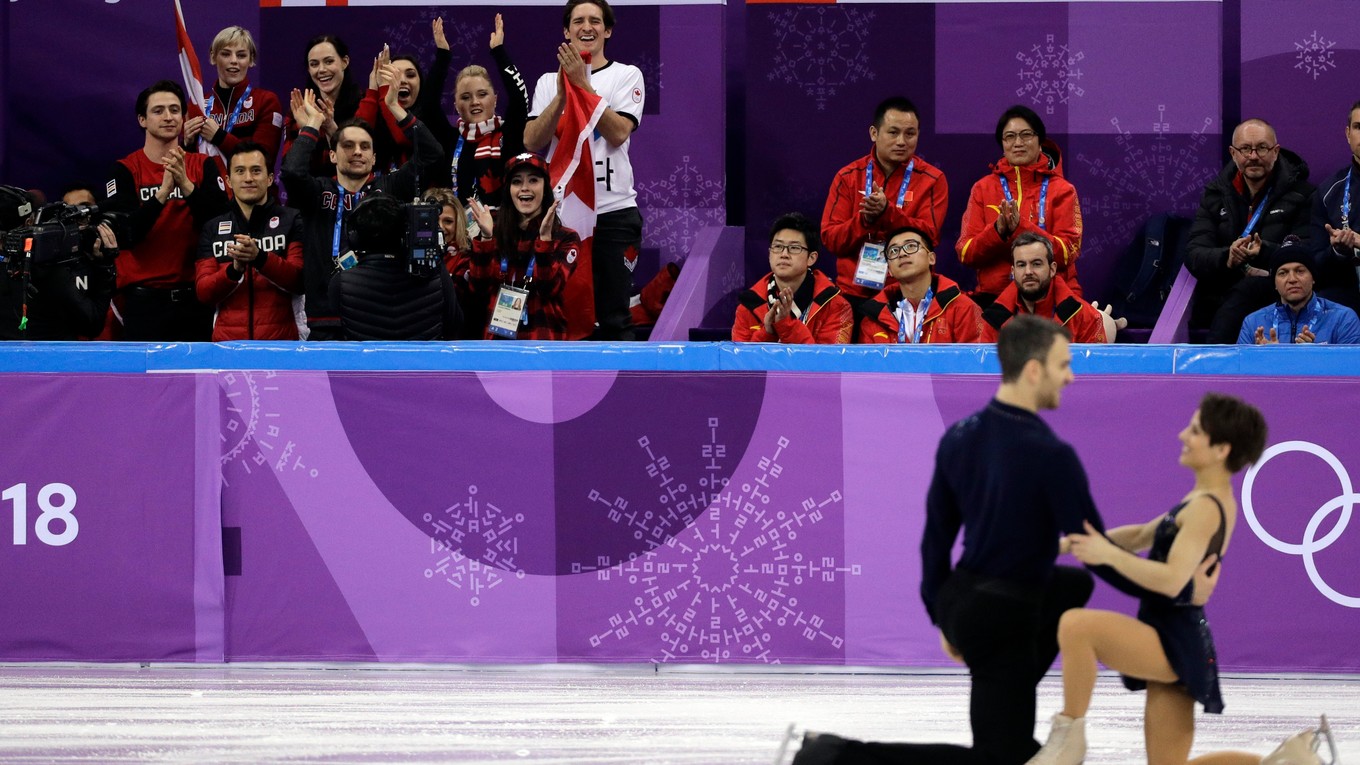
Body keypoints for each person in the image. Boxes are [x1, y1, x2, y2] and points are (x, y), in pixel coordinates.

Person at [792, 316, 1102, 765]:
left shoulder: (959, 435)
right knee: (998, 760)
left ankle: (1006, 699)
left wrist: (941, 617)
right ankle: (838, 756)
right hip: (1001, 614)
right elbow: (1098, 549)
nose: (1071, 376)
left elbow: (934, 541)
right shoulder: (1051, 453)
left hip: (962, 603)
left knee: (1072, 587)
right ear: (1034, 370)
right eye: (1064, 364)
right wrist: (1167, 590)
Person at [1028, 393, 1269, 765]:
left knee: (1077, 626)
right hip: (1176, 635)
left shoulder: (1207, 508)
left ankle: (1068, 738)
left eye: (1195, 430)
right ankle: (1289, 761)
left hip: (1173, 639)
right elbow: (1142, 534)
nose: (1182, 435)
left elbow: (1172, 581)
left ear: (1221, 449)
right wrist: (1063, 546)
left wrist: (1106, 555)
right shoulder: (1202, 498)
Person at [281, 78, 444, 340]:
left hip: (378, 315)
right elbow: (291, 172)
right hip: (325, 319)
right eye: (347, 145)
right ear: (333, 155)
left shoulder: (389, 187)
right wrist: (312, 125)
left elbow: (432, 154)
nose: (357, 152)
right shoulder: (317, 192)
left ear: (374, 158)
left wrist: (394, 107)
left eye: (365, 146)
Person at [525, 0, 645, 341]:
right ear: (567, 31)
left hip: (614, 214)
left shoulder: (627, 75)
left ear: (607, 30)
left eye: (595, 21)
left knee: (614, 317)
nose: (586, 27)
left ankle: (622, 391)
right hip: (563, 215)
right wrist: (563, 96)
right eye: (578, 21)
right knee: (563, 314)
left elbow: (619, 132)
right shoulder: (548, 82)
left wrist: (584, 86)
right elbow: (532, 139)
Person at [102, 80, 227, 341]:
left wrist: (186, 186)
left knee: (196, 380)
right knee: (145, 382)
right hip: (143, 302)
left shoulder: (202, 165)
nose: (168, 117)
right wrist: (162, 194)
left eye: (174, 110)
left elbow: (221, 225)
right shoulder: (125, 169)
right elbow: (127, 235)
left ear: (184, 118)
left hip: (195, 300)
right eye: (158, 111)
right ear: (142, 120)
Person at [1185, 119, 1314, 343]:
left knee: (1249, 289)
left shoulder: (1302, 194)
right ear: (1233, 154)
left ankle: (1213, 367)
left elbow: (1308, 252)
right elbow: (1194, 252)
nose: (1253, 156)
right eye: (1245, 149)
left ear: (1276, 152)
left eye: (1262, 148)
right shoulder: (1215, 194)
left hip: (1274, 289)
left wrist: (1265, 252)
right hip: (1223, 288)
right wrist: (1228, 257)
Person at [821, 97, 949, 317]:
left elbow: (930, 237)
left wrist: (888, 214)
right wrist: (864, 221)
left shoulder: (933, 179)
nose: (902, 141)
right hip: (853, 294)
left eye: (910, 134)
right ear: (874, 133)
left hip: (908, 294)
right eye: (893, 132)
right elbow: (831, 239)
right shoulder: (848, 177)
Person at [958, 106, 1084, 307]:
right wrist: (997, 231)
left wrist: (1020, 228)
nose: (1018, 143)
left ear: (1040, 141)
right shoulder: (982, 188)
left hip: (1053, 297)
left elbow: (1067, 253)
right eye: (1009, 136)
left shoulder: (1062, 190)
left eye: (1026, 135)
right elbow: (966, 253)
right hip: (995, 298)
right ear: (1002, 143)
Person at [195, 141, 305, 341]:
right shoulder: (213, 227)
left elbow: (299, 280)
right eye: (240, 171)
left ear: (270, 178)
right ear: (228, 180)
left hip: (282, 346)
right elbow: (204, 292)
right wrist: (234, 270)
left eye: (256, 171)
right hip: (228, 346)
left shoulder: (292, 219)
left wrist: (260, 258)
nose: (248, 178)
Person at [465, 153, 575, 340]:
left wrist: (545, 242)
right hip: (497, 344)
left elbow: (550, 288)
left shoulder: (565, 237)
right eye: (517, 182)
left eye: (533, 180)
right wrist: (486, 237)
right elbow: (478, 287)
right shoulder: (492, 230)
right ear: (508, 190)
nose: (525, 188)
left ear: (545, 188)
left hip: (544, 342)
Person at [328, 193, 462, 341]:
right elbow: (454, 327)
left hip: (367, 363)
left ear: (355, 239)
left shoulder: (340, 283)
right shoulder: (437, 275)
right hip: (423, 363)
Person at [0, 185, 117, 340]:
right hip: (51, 361)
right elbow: (92, 325)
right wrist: (104, 267)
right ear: (29, 222)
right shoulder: (47, 268)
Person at [733, 212, 852, 344]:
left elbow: (828, 361)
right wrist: (768, 332)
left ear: (811, 258)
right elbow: (740, 361)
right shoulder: (747, 306)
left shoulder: (836, 306)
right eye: (778, 246)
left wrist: (786, 326)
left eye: (794, 248)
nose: (784, 254)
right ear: (769, 254)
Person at [856, 225, 982, 344]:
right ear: (889, 270)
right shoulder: (873, 319)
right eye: (894, 251)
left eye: (911, 246)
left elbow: (976, 364)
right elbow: (869, 366)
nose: (902, 254)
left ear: (931, 258)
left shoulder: (963, 309)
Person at [183, 26, 285, 169]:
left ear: (251, 60)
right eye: (226, 54)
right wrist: (186, 144)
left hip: (251, 189)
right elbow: (189, 166)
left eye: (241, 55)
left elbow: (264, 160)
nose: (234, 61)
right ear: (213, 57)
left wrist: (219, 136)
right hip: (209, 190)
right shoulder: (199, 105)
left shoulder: (266, 101)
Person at [980, 233, 1106, 343]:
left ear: (1052, 269)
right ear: (1013, 271)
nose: (1028, 271)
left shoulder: (1087, 318)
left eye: (1036, 264)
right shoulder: (993, 320)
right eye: (1021, 265)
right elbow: (984, 369)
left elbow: (1095, 369)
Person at [1237, 237, 1360, 344]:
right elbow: (1240, 369)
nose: (1292, 279)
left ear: (1313, 278)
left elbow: (1352, 369)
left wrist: (1315, 358)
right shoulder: (1253, 323)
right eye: (1283, 273)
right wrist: (1263, 359)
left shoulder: (1343, 319)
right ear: (1274, 283)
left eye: (1300, 271)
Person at [281, 35, 365, 178]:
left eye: (329, 61)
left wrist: (330, 128)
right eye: (314, 64)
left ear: (345, 62)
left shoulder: (362, 104)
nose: (321, 70)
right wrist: (307, 130)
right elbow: (291, 171)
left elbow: (361, 162)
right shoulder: (299, 108)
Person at [1308, 100, 1360, 313]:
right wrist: (1338, 252)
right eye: (1359, 127)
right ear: (1348, 134)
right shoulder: (1329, 191)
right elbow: (1315, 262)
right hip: (1347, 291)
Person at [424, 186, 486, 339]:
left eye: (448, 221)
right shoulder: (408, 259)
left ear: (458, 223)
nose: (440, 228)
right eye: (434, 220)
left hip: (458, 341)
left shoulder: (469, 260)